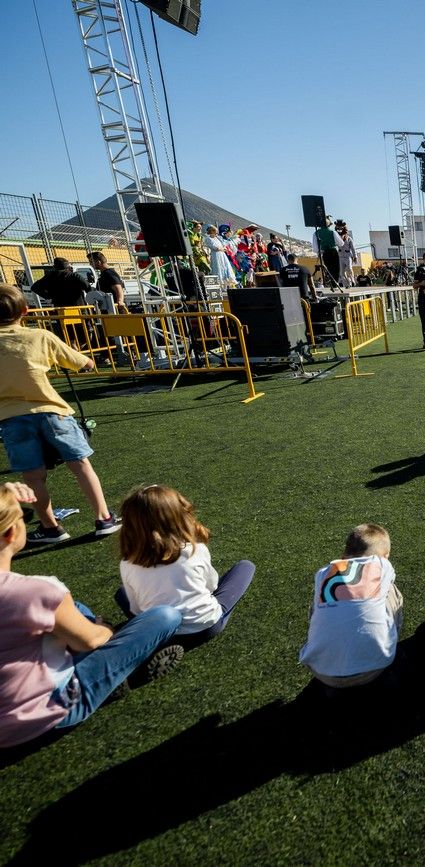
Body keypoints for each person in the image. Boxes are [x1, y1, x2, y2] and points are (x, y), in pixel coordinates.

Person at [0, 482, 183, 748]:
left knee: (79, 610)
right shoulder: (36, 592)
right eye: (23, 516)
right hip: (48, 711)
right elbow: (90, 641)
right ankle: (119, 675)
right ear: (9, 532)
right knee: (166, 616)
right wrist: (105, 628)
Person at [0, 284, 120, 543]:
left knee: (33, 476)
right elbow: (81, 362)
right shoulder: (40, 336)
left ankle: (51, 527)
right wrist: (88, 364)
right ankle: (103, 518)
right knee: (80, 465)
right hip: (52, 412)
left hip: (10, 419)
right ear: (25, 310)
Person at [116, 484, 255, 646]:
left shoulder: (127, 562)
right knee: (246, 566)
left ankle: (149, 644)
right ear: (176, 517)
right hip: (204, 627)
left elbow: (136, 609)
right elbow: (212, 585)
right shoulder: (194, 550)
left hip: (159, 632)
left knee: (121, 593)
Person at [300, 523, 402, 688]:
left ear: (344, 554)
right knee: (391, 592)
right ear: (386, 556)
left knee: (320, 600)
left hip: (321, 671)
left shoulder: (323, 573)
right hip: (374, 667)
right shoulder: (383, 565)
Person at [312, 219, 343, 287]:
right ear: (328, 225)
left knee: (329, 268)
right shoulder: (332, 232)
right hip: (333, 251)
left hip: (325, 252)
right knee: (336, 269)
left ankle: (331, 283)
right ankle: (335, 284)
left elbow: (315, 248)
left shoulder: (316, 233)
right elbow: (341, 243)